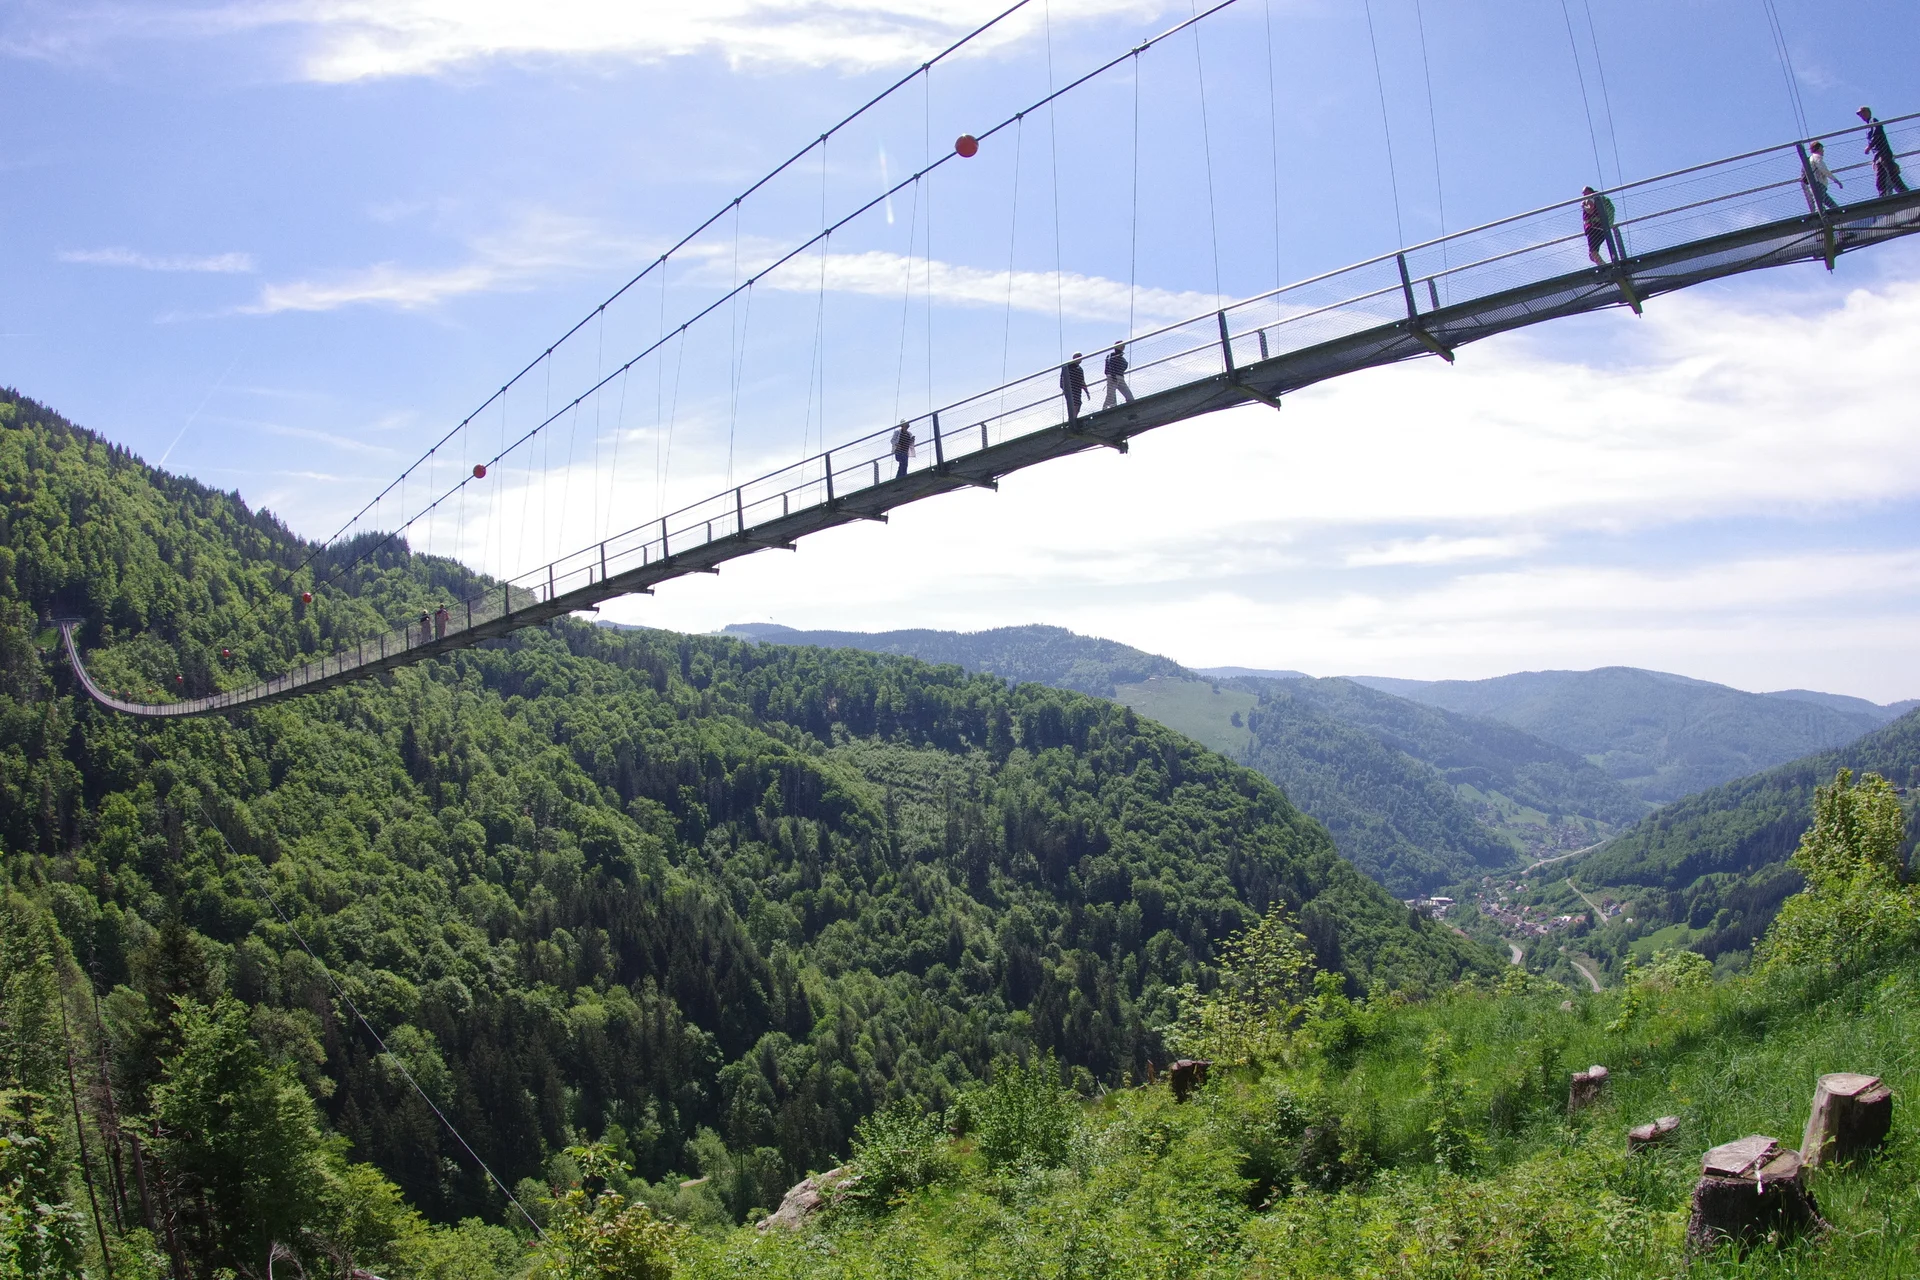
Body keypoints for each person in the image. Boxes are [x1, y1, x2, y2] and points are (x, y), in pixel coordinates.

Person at [1858, 107, 1908, 197]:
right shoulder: (1868, 127)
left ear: (1868, 112)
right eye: (1860, 114)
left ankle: (1903, 191)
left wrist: (1869, 146)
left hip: (1882, 152)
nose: (1861, 116)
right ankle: (1883, 195)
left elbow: (1877, 134)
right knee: (1880, 178)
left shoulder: (1873, 121)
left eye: (1862, 113)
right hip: (1878, 155)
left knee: (1891, 173)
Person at [1805, 141, 1844, 216]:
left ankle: (1836, 214)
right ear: (1819, 148)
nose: (1823, 151)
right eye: (1822, 148)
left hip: (1819, 186)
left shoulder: (1812, 158)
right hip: (1819, 185)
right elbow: (1824, 170)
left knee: (1828, 205)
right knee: (1820, 206)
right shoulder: (1816, 157)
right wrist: (1836, 181)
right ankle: (1822, 219)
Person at [1581, 186, 1616, 266]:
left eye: (1584, 193)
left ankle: (1606, 267)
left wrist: (1583, 206)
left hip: (1594, 228)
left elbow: (1590, 210)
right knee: (1592, 255)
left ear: (1588, 192)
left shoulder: (1590, 198)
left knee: (1593, 252)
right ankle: (1604, 265)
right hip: (1602, 228)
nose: (1583, 195)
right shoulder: (1598, 198)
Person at [1102, 341, 1134, 409]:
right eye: (1121, 345)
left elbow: (1124, 366)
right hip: (1113, 377)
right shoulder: (1111, 356)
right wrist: (1112, 376)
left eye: (1123, 345)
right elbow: (1108, 367)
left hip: (1120, 377)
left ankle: (1131, 410)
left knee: (1129, 396)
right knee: (1110, 397)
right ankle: (1104, 410)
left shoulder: (1121, 358)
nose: (1123, 347)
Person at [1059, 353, 1088, 423]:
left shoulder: (1080, 369)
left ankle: (1074, 418)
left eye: (1081, 358)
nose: (1080, 360)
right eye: (1079, 358)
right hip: (1070, 389)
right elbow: (1062, 378)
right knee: (1072, 404)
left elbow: (1082, 381)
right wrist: (1064, 388)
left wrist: (1087, 392)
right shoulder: (1068, 366)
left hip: (1077, 389)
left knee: (1078, 404)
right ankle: (1072, 419)